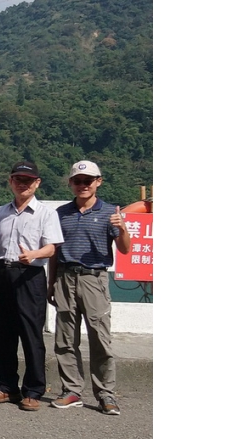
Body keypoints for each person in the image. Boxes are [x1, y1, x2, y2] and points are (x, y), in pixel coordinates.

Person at [48, 160, 131, 415]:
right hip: (64, 276)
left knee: (100, 339)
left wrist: (122, 228)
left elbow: (125, 249)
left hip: (94, 279)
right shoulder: (61, 213)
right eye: (78, 181)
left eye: (88, 180)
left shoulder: (110, 213)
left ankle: (106, 394)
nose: (83, 185)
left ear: (98, 182)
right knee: (65, 339)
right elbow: (54, 251)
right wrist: (51, 282)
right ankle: (71, 390)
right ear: (71, 183)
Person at [0, 161, 63, 411]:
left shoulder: (46, 213)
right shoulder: (2, 212)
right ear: (10, 182)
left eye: (28, 180)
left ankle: (34, 390)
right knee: (1, 334)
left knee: (31, 335)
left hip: (30, 276)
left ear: (37, 183)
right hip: (4, 275)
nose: (22, 184)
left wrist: (33, 254)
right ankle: (6, 387)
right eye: (18, 179)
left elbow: (52, 247)